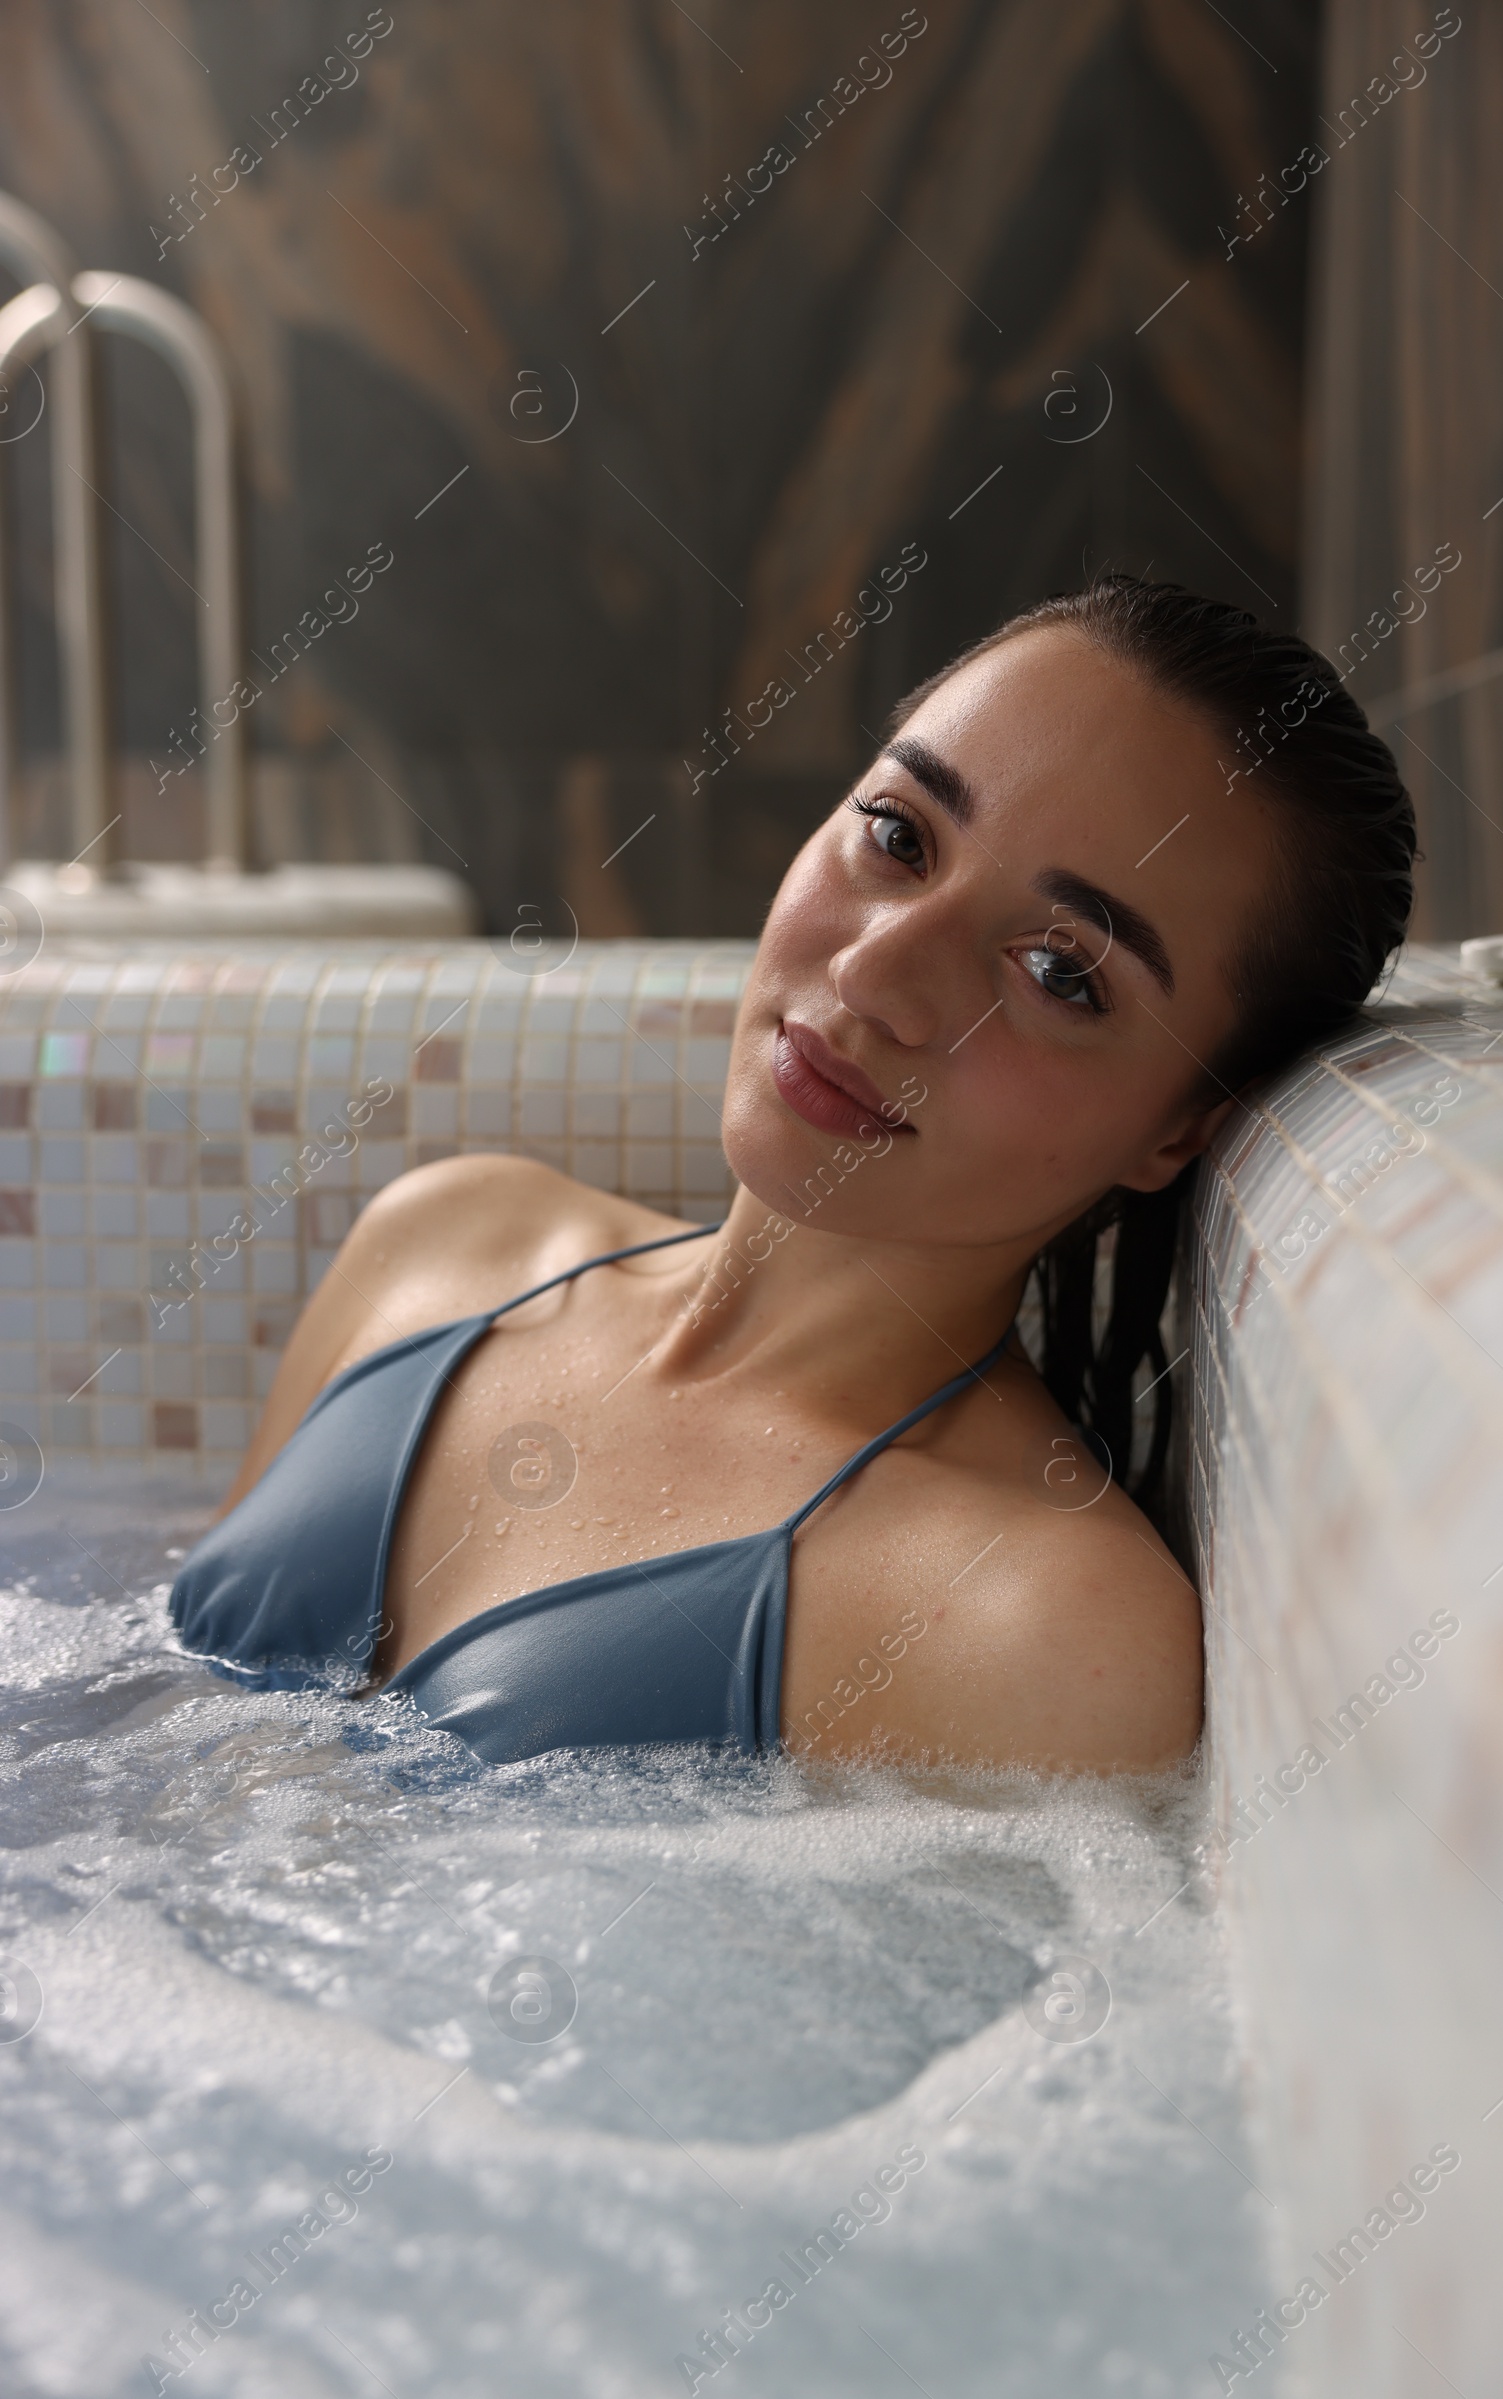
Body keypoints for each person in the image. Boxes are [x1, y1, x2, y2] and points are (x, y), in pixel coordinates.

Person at [170, 577, 1414, 1774]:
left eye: (1059, 971)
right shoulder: (446, 1242)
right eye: (898, 834)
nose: (878, 973)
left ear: (1178, 1129)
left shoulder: (1028, 1617)